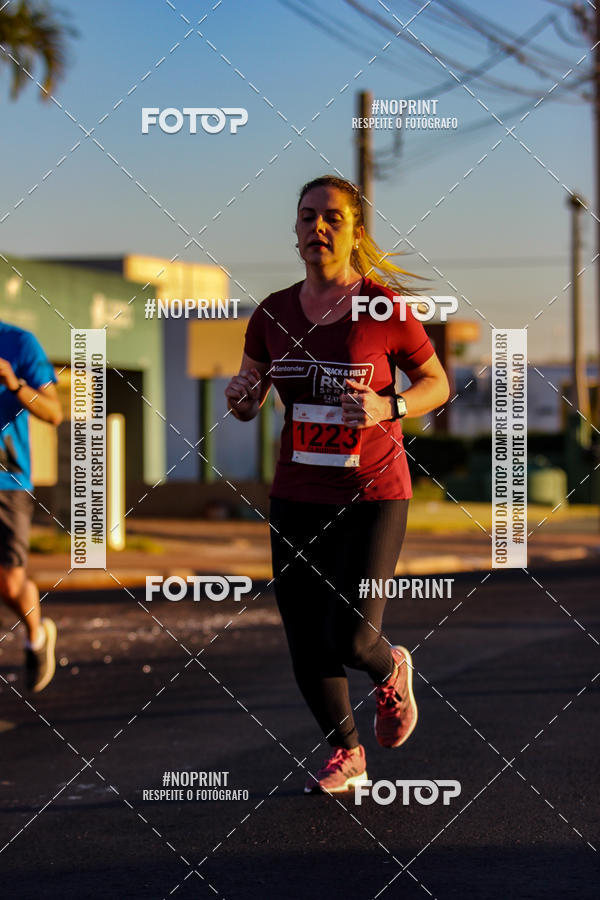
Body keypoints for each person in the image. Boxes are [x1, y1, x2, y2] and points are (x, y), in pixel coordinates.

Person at [225, 175, 449, 794]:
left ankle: (392, 666)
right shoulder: (271, 313)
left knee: (352, 636)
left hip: (375, 495)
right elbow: (249, 394)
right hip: (297, 494)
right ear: (294, 231)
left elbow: (437, 382)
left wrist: (388, 408)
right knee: (304, 636)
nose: (317, 228)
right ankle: (347, 753)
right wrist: (241, 398)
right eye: (306, 218)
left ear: (353, 231)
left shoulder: (383, 308)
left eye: (330, 218)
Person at [0, 320, 62, 692]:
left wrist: (15, 384)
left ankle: (37, 634)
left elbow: (54, 413)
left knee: (9, 584)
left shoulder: (19, 343)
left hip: (8, 481)